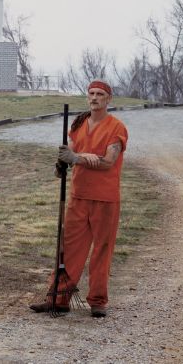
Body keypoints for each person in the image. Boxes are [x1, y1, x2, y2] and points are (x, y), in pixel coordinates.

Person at [30, 79, 128, 318]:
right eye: (91, 93)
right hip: (79, 196)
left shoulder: (117, 128)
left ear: (108, 99)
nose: (94, 98)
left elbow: (107, 161)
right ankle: (58, 298)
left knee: (101, 250)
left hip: (105, 198)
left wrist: (78, 158)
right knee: (68, 249)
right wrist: (62, 163)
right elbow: (68, 153)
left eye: (100, 94)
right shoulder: (78, 124)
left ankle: (98, 301)